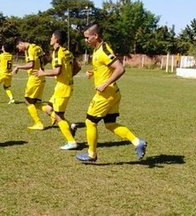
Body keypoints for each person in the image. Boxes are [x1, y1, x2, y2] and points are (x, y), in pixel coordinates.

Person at [75, 24, 147, 162]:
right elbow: (105, 68)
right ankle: (138, 143)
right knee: (110, 124)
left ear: (95, 36)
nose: (85, 40)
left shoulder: (103, 51)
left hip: (106, 95)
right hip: (114, 93)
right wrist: (94, 73)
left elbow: (120, 69)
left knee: (90, 122)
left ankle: (91, 155)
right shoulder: (97, 50)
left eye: (87, 37)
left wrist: (104, 84)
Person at [36, 30, 81, 150]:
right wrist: (69, 77)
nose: (50, 39)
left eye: (51, 37)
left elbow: (57, 71)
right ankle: (71, 126)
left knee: (58, 116)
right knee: (49, 109)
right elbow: (78, 67)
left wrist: (42, 73)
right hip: (64, 86)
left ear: (56, 39)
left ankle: (71, 142)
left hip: (63, 88)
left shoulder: (57, 52)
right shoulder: (68, 52)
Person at [12, 37, 47, 130]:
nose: (19, 50)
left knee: (27, 100)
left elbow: (31, 65)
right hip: (41, 76)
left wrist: (18, 67)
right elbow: (46, 59)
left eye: (18, 47)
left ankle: (38, 123)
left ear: (21, 43)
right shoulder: (37, 47)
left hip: (35, 78)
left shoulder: (30, 49)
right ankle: (54, 116)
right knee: (35, 102)